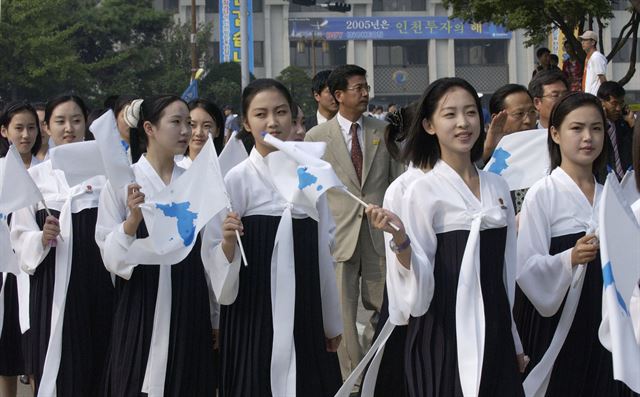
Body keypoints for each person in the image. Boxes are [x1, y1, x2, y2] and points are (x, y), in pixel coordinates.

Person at [368, 77, 525, 397]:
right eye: (450, 114)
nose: (463, 122)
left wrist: (514, 338)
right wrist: (401, 241)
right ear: (428, 124)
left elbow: (508, 270)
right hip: (441, 332)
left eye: (470, 112)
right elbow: (416, 283)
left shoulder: (496, 186)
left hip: (495, 329)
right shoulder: (419, 191)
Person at [201, 78, 342, 396]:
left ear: (293, 117)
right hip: (253, 313)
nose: (272, 122)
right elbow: (214, 259)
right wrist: (227, 241)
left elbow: (324, 249)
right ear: (246, 123)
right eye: (261, 114)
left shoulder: (310, 174)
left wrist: (330, 321)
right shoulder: (235, 179)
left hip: (304, 309)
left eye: (280, 112)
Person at [514, 92, 636, 396]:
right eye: (577, 128)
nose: (588, 138)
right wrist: (569, 258)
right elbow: (526, 267)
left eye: (596, 128)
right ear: (555, 133)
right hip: (561, 320)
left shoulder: (612, 193)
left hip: (608, 316)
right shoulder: (542, 194)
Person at [95, 95, 216, 396]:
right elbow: (110, 257)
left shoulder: (197, 181)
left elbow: (208, 255)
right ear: (149, 128)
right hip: (141, 298)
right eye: (176, 122)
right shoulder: (122, 183)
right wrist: (131, 223)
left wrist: (215, 315)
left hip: (189, 296)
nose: (186, 131)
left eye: (188, 123)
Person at [305, 64, 403, 387]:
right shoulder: (316, 138)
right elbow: (312, 192)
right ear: (338, 95)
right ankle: (354, 381)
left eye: (366, 88)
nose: (365, 93)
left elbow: (396, 182)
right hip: (340, 237)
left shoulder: (382, 130)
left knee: (383, 306)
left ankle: (380, 371)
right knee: (344, 315)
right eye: (358, 88)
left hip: (377, 236)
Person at [10, 95, 114, 396]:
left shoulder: (106, 175)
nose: (69, 128)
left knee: (102, 362)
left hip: (99, 287)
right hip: (53, 290)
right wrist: (41, 238)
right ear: (47, 127)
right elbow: (19, 237)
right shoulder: (35, 178)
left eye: (76, 120)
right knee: (62, 369)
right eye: (60, 121)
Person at [0, 101, 42, 397]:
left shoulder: (48, 172)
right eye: (18, 128)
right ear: (4, 131)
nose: (25, 135)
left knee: (36, 353)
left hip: (38, 271)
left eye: (31, 127)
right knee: (7, 356)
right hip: (6, 273)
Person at [482, 83, 537, 163]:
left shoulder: (546, 145)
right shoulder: (482, 153)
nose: (528, 120)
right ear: (497, 119)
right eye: (519, 114)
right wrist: (488, 150)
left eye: (532, 112)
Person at [597, 81, 634, 181]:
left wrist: (633, 126)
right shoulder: (594, 127)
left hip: (628, 181)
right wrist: (600, 125)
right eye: (614, 103)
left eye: (621, 103)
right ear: (601, 103)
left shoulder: (624, 123)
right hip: (605, 182)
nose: (618, 108)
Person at [177, 98, 225, 170]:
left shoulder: (226, 173)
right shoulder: (172, 173)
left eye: (207, 126)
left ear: (217, 131)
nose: (199, 133)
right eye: (192, 125)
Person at [579, 30, 608, 95]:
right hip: (588, 95)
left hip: (595, 96)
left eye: (585, 40)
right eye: (582, 40)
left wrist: (604, 96)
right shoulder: (589, 57)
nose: (582, 42)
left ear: (593, 42)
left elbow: (602, 78)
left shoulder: (596, 57)